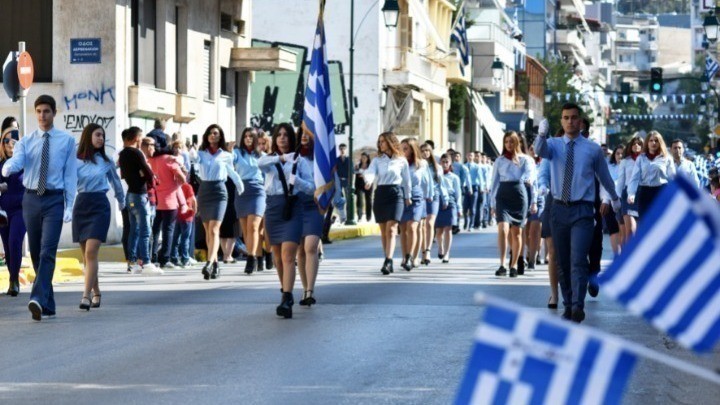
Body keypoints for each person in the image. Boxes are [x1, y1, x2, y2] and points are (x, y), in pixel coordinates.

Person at [534, 104, 621, 324]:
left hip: (583, 209)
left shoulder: (592, 149)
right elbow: (539, 151)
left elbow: (605, 177)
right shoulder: (553, 145)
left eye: (574, 118)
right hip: (559, 208)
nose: (570, 122)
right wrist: (541, 135)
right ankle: (568, 304)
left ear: (580, 121)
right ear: (561, 121)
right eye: (566, 118)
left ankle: (577, 306)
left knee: (578, 259)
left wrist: (613, 198)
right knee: (562, 261)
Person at [2, 95, 78, 321]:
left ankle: (36, 297)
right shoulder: (26, 141)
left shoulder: (66, 141)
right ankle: (48, 303)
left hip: (54, 199)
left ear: (54, 113)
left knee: (48, 250)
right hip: (31, 199)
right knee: (36, 252)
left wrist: (69, 205)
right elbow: (18, 161)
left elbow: (70, 175)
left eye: (46, 111)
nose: (42, 115)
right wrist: (9, 166)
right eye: (38, 111)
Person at [258, 123, 313, 318]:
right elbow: (260, 164)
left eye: (286, 135)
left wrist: (296, 181)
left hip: (292, 208)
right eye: (279, 135)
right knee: (278, 258)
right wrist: (280, 158)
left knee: (288, 255)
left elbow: (311, 188)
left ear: (292, 138)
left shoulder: (300, 161)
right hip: (273, 209)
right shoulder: (270, 159)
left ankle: (287, 298)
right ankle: (285, 291)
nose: (282, 138)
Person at [73, 123, 126, 310]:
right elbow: (68, 183)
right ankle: (96, 291)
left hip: (99, 206)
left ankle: (85, 296)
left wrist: (122, 203)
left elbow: (116, 182)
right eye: (97, 135)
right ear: (88, 136)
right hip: (81, 205)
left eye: (102, 135)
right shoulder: (75, 161)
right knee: (86, 256)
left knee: (91, 252)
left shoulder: (106, 161)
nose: (101, 138)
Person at [191, 124, 244, 279]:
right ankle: (214, 264)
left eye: (216, 133)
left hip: (219, 191)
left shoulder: (226, 155)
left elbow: (231, 172)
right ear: (206, 136)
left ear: (220, 136)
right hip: (204, 191)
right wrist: (193, 148)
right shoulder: (201, 153)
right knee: (208, 231)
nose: (213, 135)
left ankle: (209, 263)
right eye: (210, 133)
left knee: (214, 229)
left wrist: (240, 186)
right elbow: (193, 159)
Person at [362, 132, 412, 275]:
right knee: (384, 231)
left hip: (396, 194)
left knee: (392, 229)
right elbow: (370, 172)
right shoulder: (377, 160)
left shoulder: (401, 160)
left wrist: (408, 196)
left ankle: (388, 261)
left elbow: (406, 180)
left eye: (383, 141)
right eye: (379, 142)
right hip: (381, 194)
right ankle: (387, 259)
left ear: (391, 142)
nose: (380, 144)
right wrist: (368, 181)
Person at [490, 132, 535, 278]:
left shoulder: (525, 159)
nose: (509, 144)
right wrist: (492, 203)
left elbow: (530, 174)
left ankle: (514, 264)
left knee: (517, 233)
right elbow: (494, 182)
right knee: (503, 229)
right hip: (503, 195)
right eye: (506, 142)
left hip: (519, 194)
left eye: (511, 141)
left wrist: (528, 179)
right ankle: (502, 264)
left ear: (517, 143)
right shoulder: (499, 160)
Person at [119, 127, 162, 275]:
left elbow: (125, 175)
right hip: (139, 195)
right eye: (141, 138)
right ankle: (146, 262)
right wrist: (147, 176)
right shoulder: (136, 153)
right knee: (145, 231)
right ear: (137, 138)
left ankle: (132, 263)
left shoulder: (122, 154)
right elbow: (149, 173)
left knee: (134, 231)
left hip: (130, 195)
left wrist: (142, 173)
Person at [294, 129, 323, 306]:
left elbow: (331, 179)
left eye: (308, 133)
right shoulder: (293, 157)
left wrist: (339, 203)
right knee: (300, 250)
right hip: (296, 206)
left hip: (315, 206)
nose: (304, 136)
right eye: (301, 133)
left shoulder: (321, 159)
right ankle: (305, 290)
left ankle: (311, 290)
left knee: (310, 246)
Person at [148, 139, 187, 269]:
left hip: (156, 200)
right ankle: (165, 259)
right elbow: (182, 178)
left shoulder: (152, 160)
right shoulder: (170, 159)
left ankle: (153, 257)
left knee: (155, 230)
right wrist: (176, 183)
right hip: (170, 201)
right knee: (168, 230)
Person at [233, 127, 266, 274]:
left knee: (253, 226)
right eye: (245, 136)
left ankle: (251, 258)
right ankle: (255, 255)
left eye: (251, 136)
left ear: (255, 139)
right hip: (241, 191)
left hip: (258, 191)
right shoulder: (237, 153)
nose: (248, 138)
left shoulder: (261, 155)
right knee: (246, 229)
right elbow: (228, 161)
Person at [627, 131, 676, 220]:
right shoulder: (641, 158)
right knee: (644, 221)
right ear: (647, 143)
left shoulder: (666, 158)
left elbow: (672, 178)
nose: (653, 143)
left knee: (659, 221)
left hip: (660, 192)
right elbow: (635, 178)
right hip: (645, 192)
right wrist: (631, 194)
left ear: (660, 143)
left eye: (656, 141)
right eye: (651, 140)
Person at [0, 124, 25, 296]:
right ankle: (12, 278)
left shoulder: (25, 163)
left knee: (15, 241)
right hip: (3, 211)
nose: (10, 143)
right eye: (6, 140)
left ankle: (14, 280)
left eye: (14, 139)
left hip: (21, 209)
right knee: (7, 246)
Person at [399, 137, 429, 271]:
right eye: (401, 149)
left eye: (405, 149)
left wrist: (428, 196)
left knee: (412, 227)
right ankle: (404, 257)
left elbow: (421, 179)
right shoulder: (399, 163)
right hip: (401, 196)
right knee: (403, 229)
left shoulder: (421, 163)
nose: (403, 151)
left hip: (416, 197)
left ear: (412, 149)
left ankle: (412, 257)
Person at [170, 141, 197, 268]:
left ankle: (174, 257)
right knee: (185, 238)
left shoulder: (174, 186)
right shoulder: (188, 187)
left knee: (175, 238)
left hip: (177, 216)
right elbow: (193, 200)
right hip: (187, 216)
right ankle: (185, 258)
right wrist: (195, 211)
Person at [419, 143, 445, 265]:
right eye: (423, 151)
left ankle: (428, 250)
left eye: (427, 151)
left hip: (434, 196)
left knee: (429, 223)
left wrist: (445, 198)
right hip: (421, 197)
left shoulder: (437, 167)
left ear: (431, 152)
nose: (425, 153)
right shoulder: (418, 165)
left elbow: (441, 184)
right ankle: (422, 251)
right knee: (421, 225)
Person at [615, 135, 643, 238]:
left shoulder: (647, 161)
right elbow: (620, 182)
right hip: (627, 196)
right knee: (630, 231)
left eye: (639, 144)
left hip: (643, 194)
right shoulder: (625, 161)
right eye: (634, 143)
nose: (636, 145)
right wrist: (617, 199)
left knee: (641, 232)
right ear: (630, 146)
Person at [435, 154, 461, 262]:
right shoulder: (436, 175)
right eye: (443, 162)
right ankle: (440, 247)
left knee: (448, 229)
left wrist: (459, 208)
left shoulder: (454, 177)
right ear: (439, 163)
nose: (445, 164)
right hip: (438, 201)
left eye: (447, 162)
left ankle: (447, 253)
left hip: (451, 202)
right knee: (439, 230)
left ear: (450, 163)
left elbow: (458, 193)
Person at [354, 152, 373, 222]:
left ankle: (368, 217)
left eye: (364, 157)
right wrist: (355, 169)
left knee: (368, 200)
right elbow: (355, 173)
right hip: (359, 184)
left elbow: (372, 174)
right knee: (359, 200)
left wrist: (364, 175)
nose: (363, 159)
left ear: (367, 158)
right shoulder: (358, 165)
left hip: (368, 184)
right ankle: (359, 216)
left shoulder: (371, 166)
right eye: (362, 157)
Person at [464, 152, 480, 231]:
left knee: (473, 207)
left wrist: (482, 187)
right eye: (468, 155)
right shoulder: (463, 166)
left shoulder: (477, 166)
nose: (470, 157)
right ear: (466, 156)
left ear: (474, 157)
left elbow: (480, 177)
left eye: (471, 155)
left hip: (474, 187)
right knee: (465, 207)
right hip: (466, 187)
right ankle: (466, 221)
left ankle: (471, 225)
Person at [336, 143, 350, 222]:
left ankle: (348, 216)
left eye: (343, 149)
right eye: (341, 149)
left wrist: (351, 182)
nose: (342, 150)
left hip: (347, 181)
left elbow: (352, 172)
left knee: (348, 199)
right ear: (339, 150)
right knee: (339, 199)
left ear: (346, 149)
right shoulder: (337, 160)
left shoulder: (349, 159)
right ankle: (342, 217)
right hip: (339, 181)